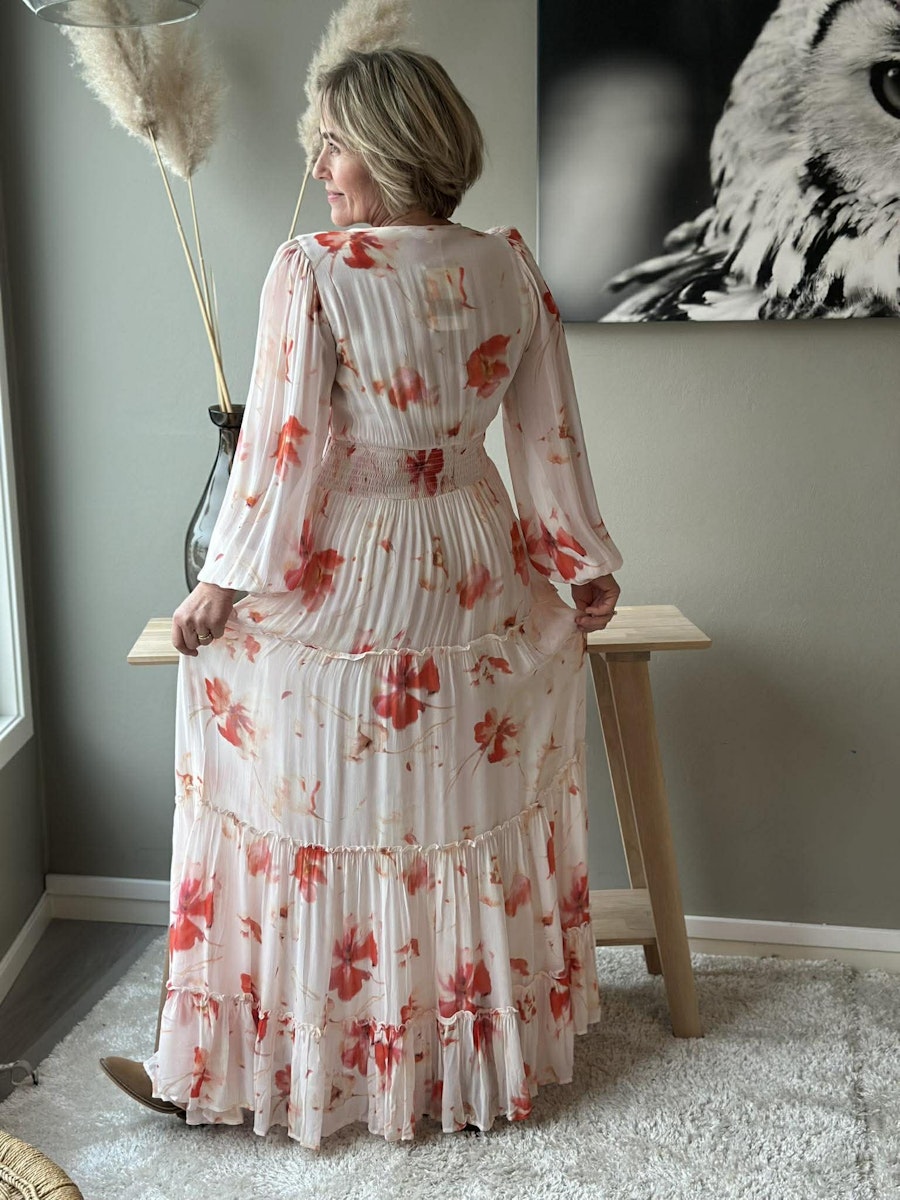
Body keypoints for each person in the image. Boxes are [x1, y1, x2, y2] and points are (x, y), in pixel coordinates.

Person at [101, 47, 622, 1149]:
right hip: (474, 551)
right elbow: (549, 432)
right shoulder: (510, 263)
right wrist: (580, 559)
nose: (320, 167)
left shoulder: (315, 267)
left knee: (301, 776)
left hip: (363, 556)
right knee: (445, 799)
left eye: (332, 143)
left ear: (390, 147)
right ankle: (459, 1060)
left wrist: (221, 584)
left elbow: (280, 452)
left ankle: (261, 1058)